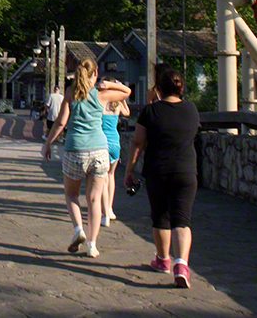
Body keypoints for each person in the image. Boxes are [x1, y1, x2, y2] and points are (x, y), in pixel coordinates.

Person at [42, 58, 131, 258]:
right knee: (94, 199)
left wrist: (48, 143)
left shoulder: (71, 94)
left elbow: (60, 122)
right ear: (96, 74)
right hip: (100, 151)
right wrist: (110, 84)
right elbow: (127, 92)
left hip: (75, 150)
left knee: (72, 195)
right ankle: (92, 244)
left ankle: (78, 230)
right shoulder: (102, 95)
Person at [124, 65, 199, 288]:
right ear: (181, 87)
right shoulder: (192, 109)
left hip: (158, 171)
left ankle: (163, 259)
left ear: (158, 88)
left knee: (161, 217)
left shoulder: (150, 111)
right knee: (182, 220)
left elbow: (137, 143)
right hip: (186, 171)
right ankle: (182, 265)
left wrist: (129, 171)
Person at [99, 77, 130, 227]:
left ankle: (105, 214)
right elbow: (128, 113)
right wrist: (121, 96)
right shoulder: (117, 105)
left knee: (103, 178)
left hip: (102, 142)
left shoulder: (101, 101)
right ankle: (110, 208)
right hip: (115, 141)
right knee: (111, 176)